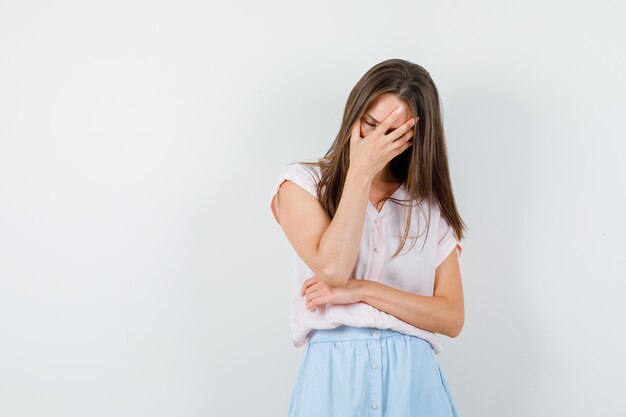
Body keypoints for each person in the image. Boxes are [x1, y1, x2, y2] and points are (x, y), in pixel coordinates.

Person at [269, 58, 466, 417]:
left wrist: (363, 291)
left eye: (391, 133)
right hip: (333, 376)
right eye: (370, 124)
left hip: (413, 377)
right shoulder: (301, 184)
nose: (375, 140)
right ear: (353, 112)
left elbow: (451, 317)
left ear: (413, 138)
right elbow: (333, 268)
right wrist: (360, 170)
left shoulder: (427, 205)